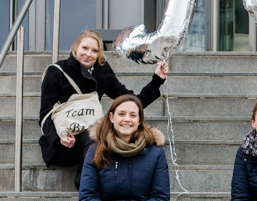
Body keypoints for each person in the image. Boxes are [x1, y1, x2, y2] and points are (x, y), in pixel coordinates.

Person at [39, 29, 168, 187]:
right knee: (97, 139)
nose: (89, 54)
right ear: (75, 48)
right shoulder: (57, 72)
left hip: (92, 136)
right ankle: (90, 187)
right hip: (64, 142)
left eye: (95, 50)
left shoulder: (101, 71)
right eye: (85, 48)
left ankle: (90, 181)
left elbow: (129, 102)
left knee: (101, 136)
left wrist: (157, 80)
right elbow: (46, 114)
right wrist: (60, 138)